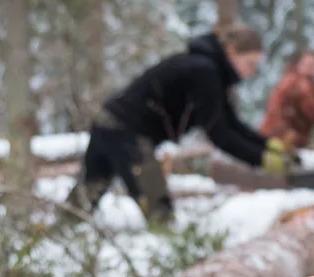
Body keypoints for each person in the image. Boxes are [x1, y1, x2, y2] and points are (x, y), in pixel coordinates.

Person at [64, 22, 295, 227]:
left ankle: (60, 231)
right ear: (232, 52)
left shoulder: (207, 70)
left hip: (108, 121)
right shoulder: (204, 73)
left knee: (84, 199)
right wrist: (261, 159)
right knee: (159, 211)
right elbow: (219, 134)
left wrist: (267, 145)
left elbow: (230, 122)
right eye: (250, 63)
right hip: (127, 132)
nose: (251, 71)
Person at [260, 48, 314, 148]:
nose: (310, 68)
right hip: (281, 138)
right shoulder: (298, 83)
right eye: (308, 64)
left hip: (278, 137)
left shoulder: (297, 81)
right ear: (299, 63)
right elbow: (311, 107)